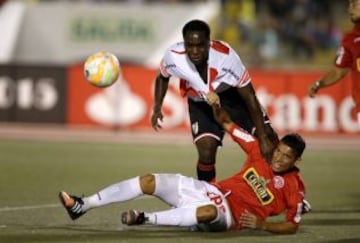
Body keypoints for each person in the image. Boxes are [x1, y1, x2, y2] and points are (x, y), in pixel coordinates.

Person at [59, 103, 307, 234]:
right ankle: (84, 204)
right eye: (279, 151)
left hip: (229, 215)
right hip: (207, 190)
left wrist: (262, 225)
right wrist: (215, 105)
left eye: (287, 157)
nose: (278, 158)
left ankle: (145, 218)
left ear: (296, 161)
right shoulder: (260, 151)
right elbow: (227, 123)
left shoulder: (295, 187)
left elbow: (292, 226)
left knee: (208, 212)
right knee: (148, 180)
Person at [151, 19, 278, 183]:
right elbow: (162, 78)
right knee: (206, 149)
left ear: (209, 43)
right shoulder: (173, 56)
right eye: (190, 45)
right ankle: (208, 195)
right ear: (184, 44)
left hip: (231, 96)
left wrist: (262, 136)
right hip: (199, 102)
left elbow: (249, 96)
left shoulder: (226, 57)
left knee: (268, 135)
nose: (195, 51)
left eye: (200, 45)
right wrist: (157, 107)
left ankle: (288, 187)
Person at [309, 0, 360, 128]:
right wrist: (319, 83)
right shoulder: (351, 39)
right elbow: (339, 71)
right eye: (349, 5)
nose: (350, 9)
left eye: (354, 4)